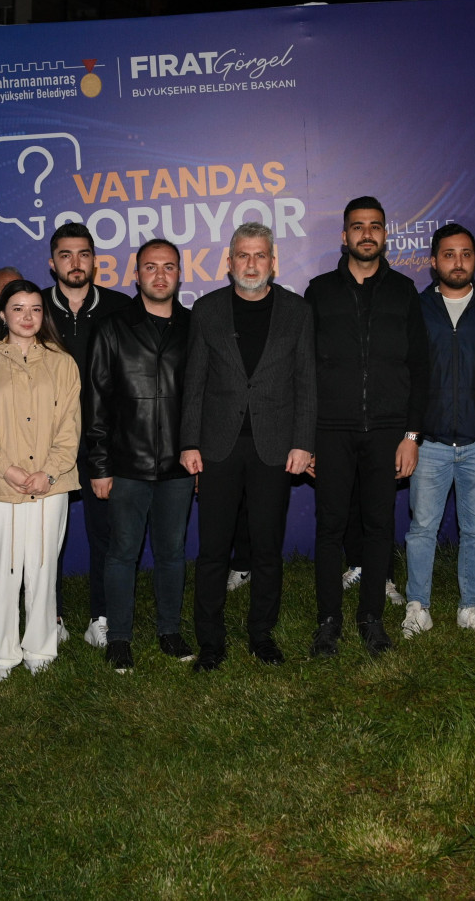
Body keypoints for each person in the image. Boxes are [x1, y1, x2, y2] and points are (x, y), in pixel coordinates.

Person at [180, 223, 316, 670]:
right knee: (213, 551)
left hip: (273, 448)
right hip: (217, 448)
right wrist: (189, 442)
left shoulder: (297, 311)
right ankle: (211, 642)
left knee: (266, 549)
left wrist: (303, 443)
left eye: (260, 255)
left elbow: (306, 383)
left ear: (273, 262)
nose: (251, 264)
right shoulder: (207, 310)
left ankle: (262, 636)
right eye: (243, 255)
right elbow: (194, 382)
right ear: (230, 261)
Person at [304, 196, 428, 658]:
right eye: (358, 226)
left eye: (375, 226)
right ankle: (328, 622)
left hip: (387, 432)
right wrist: (306, 439)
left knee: (379, 526)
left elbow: (420, 369)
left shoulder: (404, 291)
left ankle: (371, 618)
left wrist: (411, 436)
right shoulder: (319, 291)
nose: (367, 234)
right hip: (331, 431)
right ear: (345, 236)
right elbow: (304, 371)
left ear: (385, 234)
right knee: (330, 528)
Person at [88, 239, 195, 672]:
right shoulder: (112, 328)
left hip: (178, 466)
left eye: (168, 267)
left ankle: (170, 631)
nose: (160, 275)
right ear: (136, 275)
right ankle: (119, 639)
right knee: (121, 554)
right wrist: (99, 465)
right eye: (151, 267)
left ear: (179, 274)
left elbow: (203, 398)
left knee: (172, 553)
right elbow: (95, 401)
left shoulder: (194, 326)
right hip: (125, 464)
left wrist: (200, 456)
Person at [401, 223, 475, 639]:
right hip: (431, 442)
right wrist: (410, 435)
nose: (458, 262)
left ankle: (470, 607)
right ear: (433, 261)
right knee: (422, 529)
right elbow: (406, 374)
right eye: (448, 254)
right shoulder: (417, 307)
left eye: (466, 254)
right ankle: (417, 606)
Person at [0, 279, 80, 678]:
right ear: (3, 314)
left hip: (50, 485)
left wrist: (49, 472)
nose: (27, 316)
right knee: (4, 572)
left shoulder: (62, 363)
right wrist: (6, 468)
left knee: (42, 568)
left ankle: (40, 648)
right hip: (0, 483)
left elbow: (70, 425)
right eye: (18, 308)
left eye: (35, 309)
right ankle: (2, 654)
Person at [45, 223, 131, 649]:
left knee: (106, 533)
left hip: (104, 443)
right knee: (47, 538)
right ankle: (51, 617)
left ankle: (102, 616)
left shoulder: (120, 307)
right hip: (46, 445)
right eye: (66, 255)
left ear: (95, 260)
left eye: (83, 254)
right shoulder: (34, 308)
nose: (75, 263)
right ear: (52, 263)